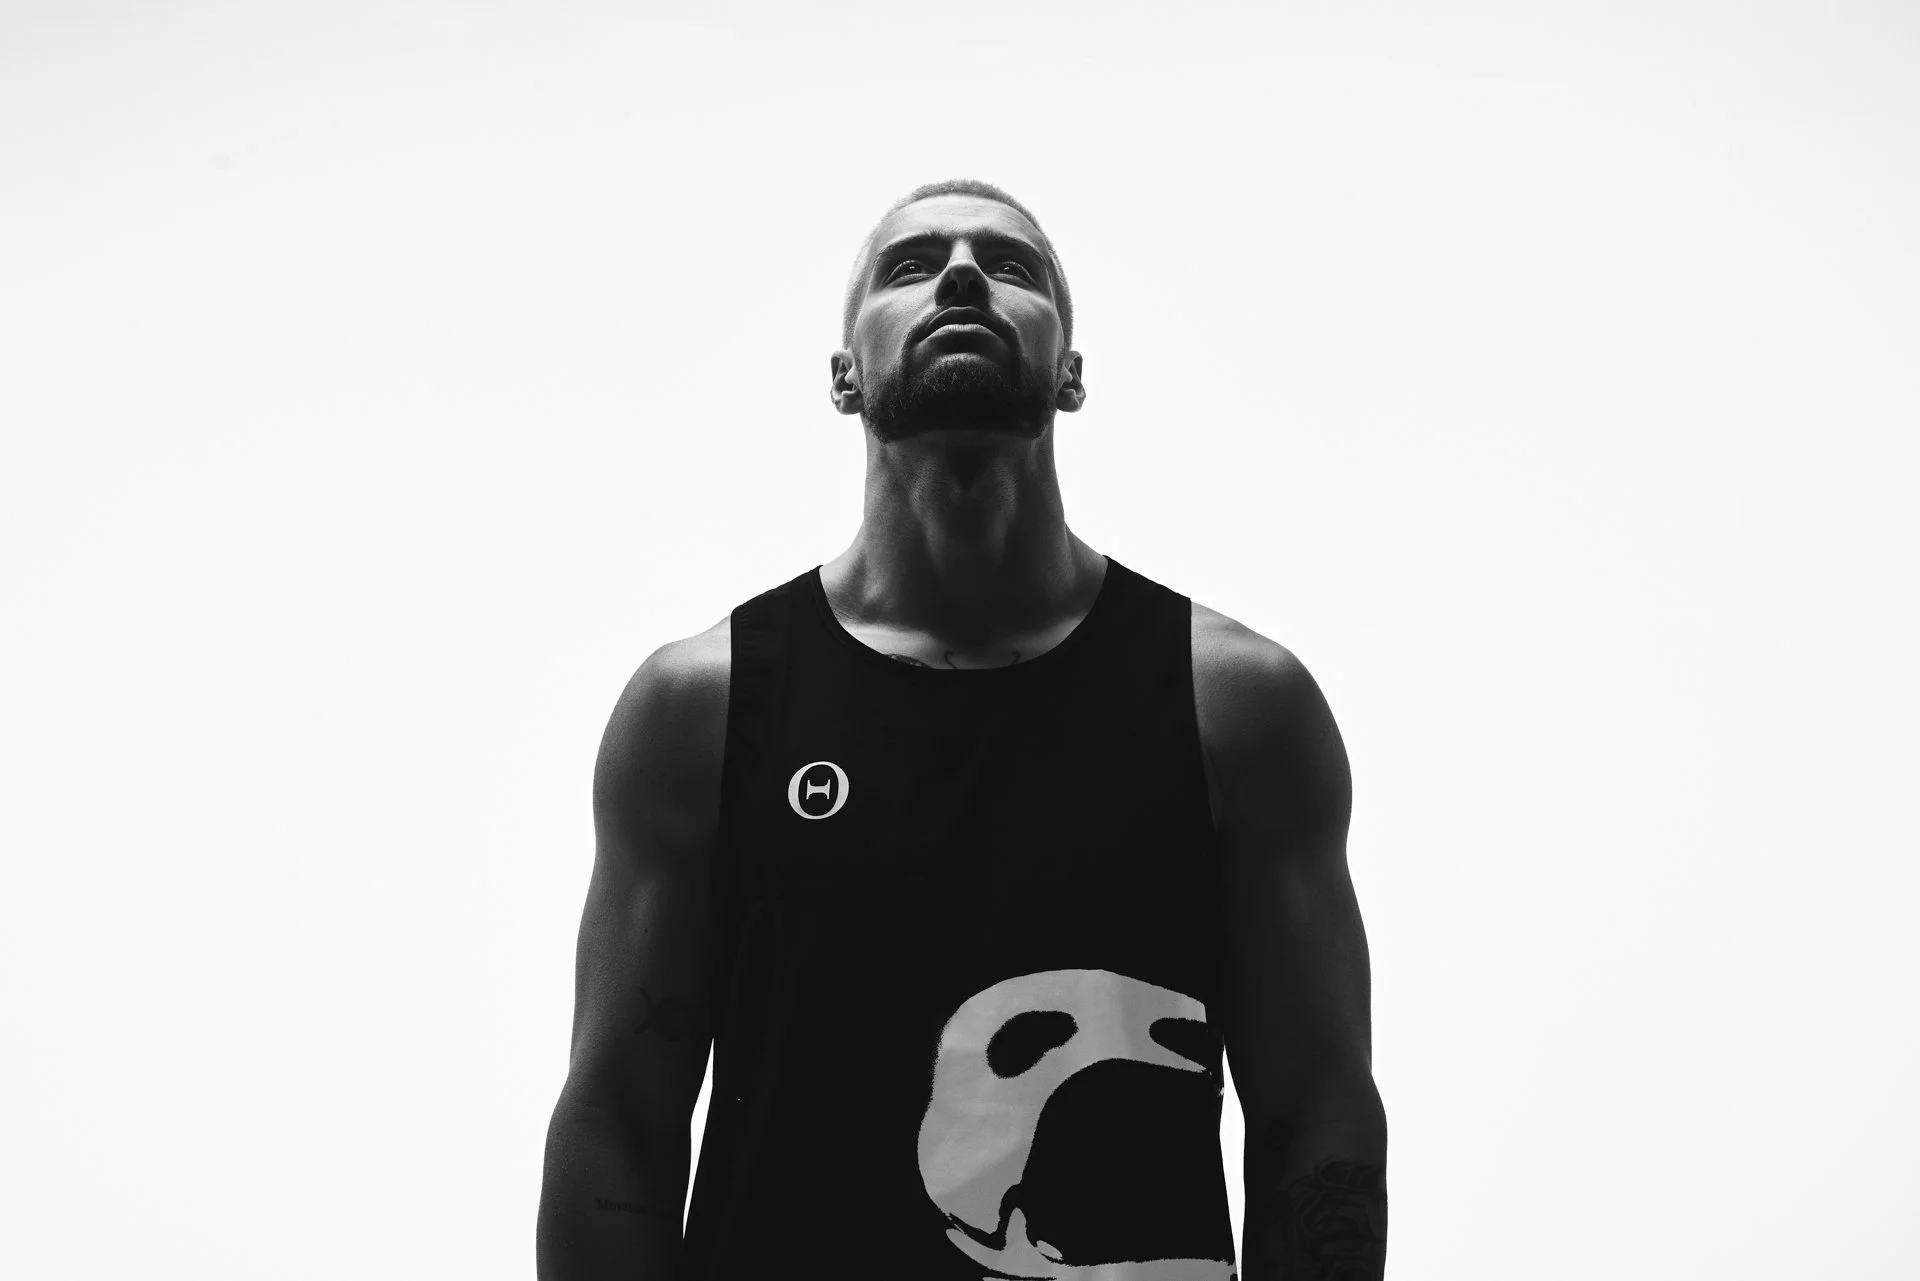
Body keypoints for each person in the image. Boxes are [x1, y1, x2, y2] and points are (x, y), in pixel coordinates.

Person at [535, 180, 1387, 1280]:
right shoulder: (703, 709)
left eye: (1012, 266)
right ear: (845, 373)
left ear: (1071, 373)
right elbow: (618, 1121)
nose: (963, 275)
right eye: (911, 265)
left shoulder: (1237, 706)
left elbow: (1317, 1115)